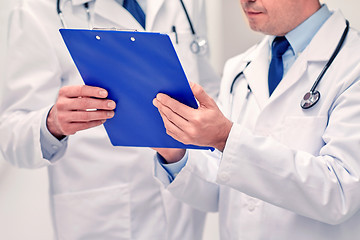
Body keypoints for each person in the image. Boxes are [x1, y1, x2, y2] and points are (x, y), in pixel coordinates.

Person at [0, 0, 220, 239]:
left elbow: (206, 86)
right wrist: (52, 123)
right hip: (102, 215)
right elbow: (11, 135)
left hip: (184, 207)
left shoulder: (187, 4)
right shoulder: (35, 10)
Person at [152, 0, 360, 239]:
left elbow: (340, 194)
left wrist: (226, 138)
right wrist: (174, 153)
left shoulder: (353, 66)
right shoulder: (239, 68)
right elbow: (219, 193)